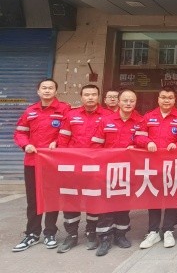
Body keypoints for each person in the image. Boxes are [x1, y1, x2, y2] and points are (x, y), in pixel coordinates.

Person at [12, 79, 70, 252]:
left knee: (52, 198)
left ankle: (50, 233)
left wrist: (57, 142)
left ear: (56, 91)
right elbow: (20, 133)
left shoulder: (64, 109)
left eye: (51, 88)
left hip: (53, 162)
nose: (47, 90)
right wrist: (26, 145)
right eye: (44, 88)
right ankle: (32, 233)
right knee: (33, 200)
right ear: (38, 91)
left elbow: (68, 131)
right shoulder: (30, 111)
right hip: (32, 161)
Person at [56, 84, 110, 253]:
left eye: (93, 94)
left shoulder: (107, 115)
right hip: (73, 166)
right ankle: (71, 235)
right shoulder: (71, 115)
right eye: (87, 94)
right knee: (71, 200)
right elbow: (63, 140)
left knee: (93, 200)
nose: (90, 97)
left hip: (95, 167)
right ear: (81, 97)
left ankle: (91, 233)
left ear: (98, 96)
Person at [91, 89, 143, 257]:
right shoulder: (105, 121)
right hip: (107, 170)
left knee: (123, 204)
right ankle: (105, 238)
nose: (128, 103)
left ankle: (121, 234)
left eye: (132, 101)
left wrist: (136, 147)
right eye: (125, 100)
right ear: (118, 102)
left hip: (128, 170)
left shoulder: (140, 122)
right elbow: (96, 145)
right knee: (106, 205)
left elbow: (143, 143)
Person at [134, 87, 177, 249]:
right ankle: (153, 231)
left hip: (173, 164)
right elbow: (138, 137)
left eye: (170, 97)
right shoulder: (149, 117)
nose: (166, 100)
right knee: (153, 196)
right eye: (163, 97)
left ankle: (168, 230)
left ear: (175, 100)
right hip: (153, 164)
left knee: (172, 196)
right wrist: (147, 142)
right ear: (158, 99)